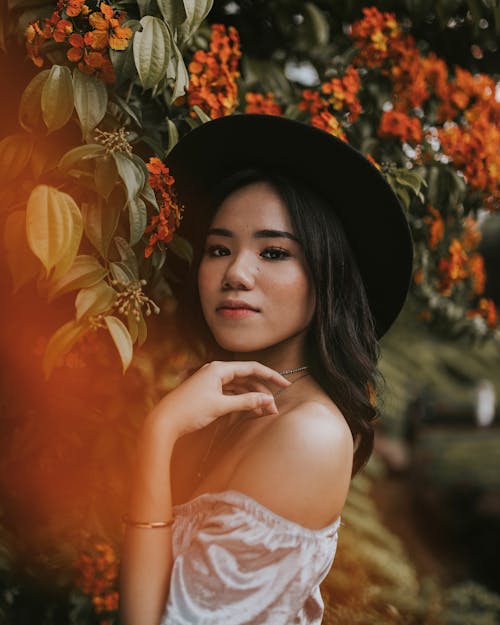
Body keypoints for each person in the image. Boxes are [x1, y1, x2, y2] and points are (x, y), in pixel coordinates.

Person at [119, 114, 413, 625]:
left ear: (326, 278)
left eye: (274, 252)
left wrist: (159, 431)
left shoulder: (308, 434)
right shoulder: (220, 405)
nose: (236, 273)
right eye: (219, 249)